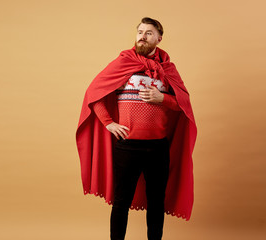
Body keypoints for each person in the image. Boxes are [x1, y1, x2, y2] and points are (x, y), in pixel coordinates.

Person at [76, 17, 197, 240]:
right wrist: (108, 123)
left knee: (156, 202)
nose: (142, 36)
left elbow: (184, 103)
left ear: (159, 39)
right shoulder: (123, 63)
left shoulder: (168, 69)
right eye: (140, 32)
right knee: (121, 201)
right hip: (127, 147)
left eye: (148, 33)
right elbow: (95, 95)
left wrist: (163, 99)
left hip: (158, 148)